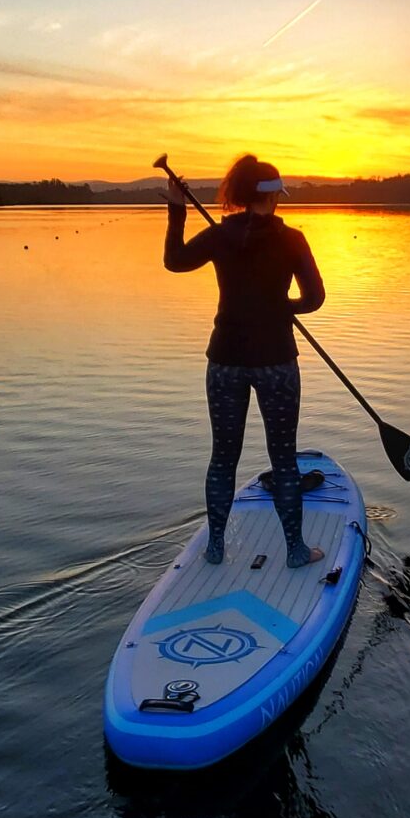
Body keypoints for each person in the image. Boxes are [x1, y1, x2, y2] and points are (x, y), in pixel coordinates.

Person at [164, 154, 327, 568]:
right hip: (276, 362)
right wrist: (284, 305)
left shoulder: (220, 235)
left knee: (223, 456)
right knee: (284, 459)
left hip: (225, 362)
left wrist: (177, 208)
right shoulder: (292, 239)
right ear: (272, 198)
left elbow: (175, 261)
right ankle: (295, 551)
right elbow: (314, 299)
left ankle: (216, 547)